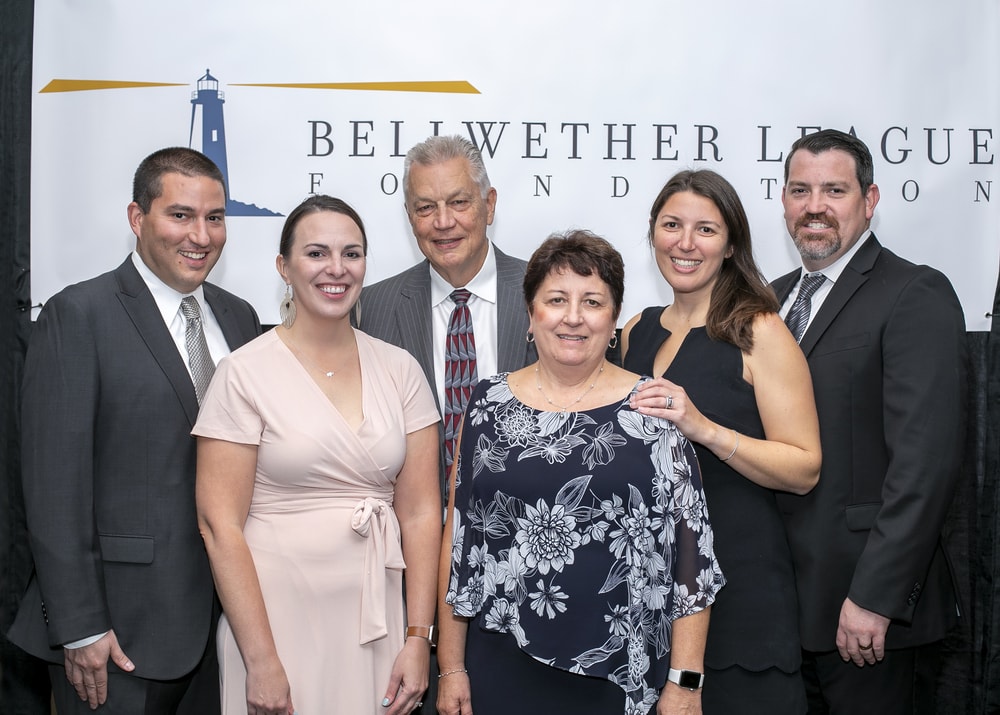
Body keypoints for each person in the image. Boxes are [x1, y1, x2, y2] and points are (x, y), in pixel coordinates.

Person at [7, 147, 261, 714]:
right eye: (180, 215)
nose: (201, 234)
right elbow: (53, 485)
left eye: (215, 218)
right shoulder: (79, 315)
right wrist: (79, 626)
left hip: (225, 633)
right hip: (117, 636)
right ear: (136, 218)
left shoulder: (240, 318)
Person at [437, 230, 725, 715]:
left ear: (613, 320)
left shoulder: (654, 410)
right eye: (556, 300)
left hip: (618, 674)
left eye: (592, 301)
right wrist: (450, 667)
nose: (573, 317)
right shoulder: (487, 405)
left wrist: (686, 684)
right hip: (499, 658)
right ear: (530, 314)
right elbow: (459, 538)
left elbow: (693, 561)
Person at [193, 195, 442, 715]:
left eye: (351, 254)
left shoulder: (401, 370)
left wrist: (419, 637)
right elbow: (220, 526)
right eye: (316, 253)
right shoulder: (242, 373)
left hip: (377, 624)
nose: (336, 269)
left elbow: (420, 514)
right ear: (284, 267)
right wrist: (260, 660)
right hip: (275, 625)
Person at [771, 129, 967, 714]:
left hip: (868, 618)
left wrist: (876, 598)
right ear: (783, 200)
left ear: (870, 199)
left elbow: (924, 465)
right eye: (800, 190)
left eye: (835, 190)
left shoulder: (914, 293)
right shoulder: (769, 300)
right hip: (783, 610)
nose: (815, 207)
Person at [620, 169, 822, 713]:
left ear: (731, 243)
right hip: (648, 598)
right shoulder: (634, 331)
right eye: (672, 225)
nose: (685, 243)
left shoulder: (759, 331)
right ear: (653, 233)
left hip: (741, 590)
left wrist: (705, 430)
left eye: (705, 230)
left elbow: (805, 468)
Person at [357, 134, 536, 495]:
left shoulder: (546, 294)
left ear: (489, 205)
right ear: (409, 217)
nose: (442, 222)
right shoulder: (370, 308)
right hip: (410, 532)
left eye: (458, 202)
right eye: (425, 208)